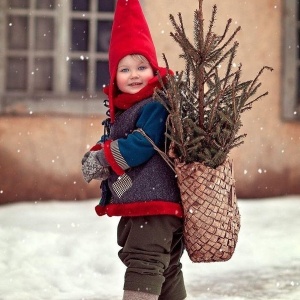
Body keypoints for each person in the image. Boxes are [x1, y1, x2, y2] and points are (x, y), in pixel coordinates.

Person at [81, 1, 186, 299]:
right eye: (125, 69)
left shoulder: (155, 103)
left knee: (144, 263)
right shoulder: (128, 107)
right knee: (165, 268)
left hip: (153, 202)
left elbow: (144, 143)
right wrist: (97, 151)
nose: (135, 74)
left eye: (142, 66)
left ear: (154, 69)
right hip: (151, 202)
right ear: (114, 76)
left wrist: (106, 157)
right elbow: (121, 137)